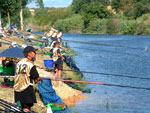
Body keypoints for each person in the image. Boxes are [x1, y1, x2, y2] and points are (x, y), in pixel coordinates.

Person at [14, 46, 42, 112]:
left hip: (17, 89)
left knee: (21, 107)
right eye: (34, 52)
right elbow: (36, 78)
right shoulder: (30, 64)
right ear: (29, 54)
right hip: (26, 89)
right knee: (27, 109)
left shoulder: (19, 63)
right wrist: (39, 79)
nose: (35, 53)